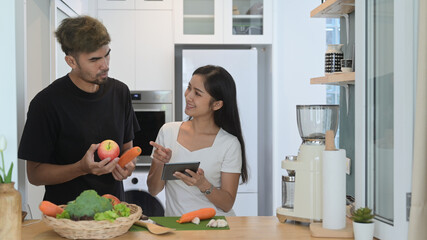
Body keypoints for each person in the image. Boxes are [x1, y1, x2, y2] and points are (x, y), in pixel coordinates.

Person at [18, 16, 140, 205]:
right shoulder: (46, 103)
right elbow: (34, 175)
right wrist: (81, 168)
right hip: (65, 217)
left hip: (114, 214)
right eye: (94, 60)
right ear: (71, 62)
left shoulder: (120, 92)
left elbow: (127, 151)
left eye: (107, 54)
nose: (105, 65)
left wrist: (128, 166)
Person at [147, 65, 248, 216]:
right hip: (178, 228)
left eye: (198, 93)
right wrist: (161, 163)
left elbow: (227, 204)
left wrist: (203, 184)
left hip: (216, 227)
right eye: (189, 88)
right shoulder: (168, 132)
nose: (188, 96)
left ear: (217, 104)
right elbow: (153, 190)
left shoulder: (229, 144)